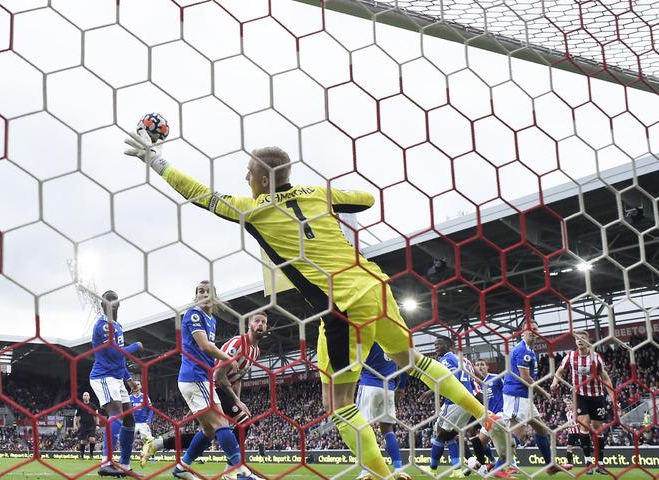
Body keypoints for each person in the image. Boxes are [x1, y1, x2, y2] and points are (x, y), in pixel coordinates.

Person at [124, 128, 507, 478]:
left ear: (260, 179)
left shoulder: (254, 207)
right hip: (375, 284)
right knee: (414, 362)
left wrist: (155, 160)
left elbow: (198, 194)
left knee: (340, 406)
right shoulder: (318, 194)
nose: (244, 178)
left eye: (247, 172)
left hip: (342, 304)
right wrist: (321, 198)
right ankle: (486, 414)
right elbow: (366, 198)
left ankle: (386, 476)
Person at [140, 312, 269, 474]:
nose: (260, 324)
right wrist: (236, 401)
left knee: (208, 434)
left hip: (221, 389)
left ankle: (164, 451)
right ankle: (232, 471)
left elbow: (238, 378)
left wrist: (238, 399)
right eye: (257, 321)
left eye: (263, 322)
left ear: (266, 328)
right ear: (249, 324)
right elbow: (218, 375)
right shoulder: (238, 343)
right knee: (243, 422)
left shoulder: (255, 351)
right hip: (212, 386)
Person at [170, 280, 259, 480]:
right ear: (196, 296)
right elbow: (204, 346)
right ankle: (240, 471)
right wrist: (228, 358)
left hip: (203, 377)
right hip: (194, 376)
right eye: (200, 291)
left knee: (209, 430)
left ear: (214, 296)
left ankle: (182, 467)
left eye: (207, 291)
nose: (203, 294)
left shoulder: (211, 320)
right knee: (222, 424)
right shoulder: (194, 314)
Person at [88, 290, 143, 477]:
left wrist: (128, 379)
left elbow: (119, 360)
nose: (112, 305)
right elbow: (113, 352)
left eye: (114, 302)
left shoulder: (117, 326)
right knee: (116, 413)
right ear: (103, 305)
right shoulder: (103, 326)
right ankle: (106, 463)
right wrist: (136, 347)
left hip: (117, 377)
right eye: (108, 302)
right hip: (103, 376)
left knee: (129, 419)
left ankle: (125, 465)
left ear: (119, 304)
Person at [502, 328, 568, 474]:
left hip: (525, 395)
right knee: (519, 433)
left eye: (536, 329)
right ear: (522, 333)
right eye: (529, 329)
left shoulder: (530, 351)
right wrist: (544, 393)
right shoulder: (522, 350)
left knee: (542, 430)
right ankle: (499, 466)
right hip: (516, 394)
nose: (533, 331)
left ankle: (550, 466)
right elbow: (525, 378)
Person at [551, 330, 613, 474]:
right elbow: (559, 371)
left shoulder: (596, 357)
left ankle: (600, 463)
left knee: (597, 428)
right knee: (584, 426)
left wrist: (613, 397)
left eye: (582, 338)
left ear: (588, 341)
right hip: (579, 395)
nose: (579, 340)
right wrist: (555, 381)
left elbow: (605, 378)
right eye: (577, 338)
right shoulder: (571, 356)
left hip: (596, 396)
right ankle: (588, 462)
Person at [420, 337, 480, 478]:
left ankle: (433, 469)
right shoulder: (459, 359)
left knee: (440, 434)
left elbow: (450, 377)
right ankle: (458, 469)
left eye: (439, 344)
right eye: (434, 344)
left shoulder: (446, 359)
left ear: (449, 346)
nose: (436, 347)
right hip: (467, 400)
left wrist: (431, 391)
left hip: (455, 400)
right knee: (450, 435)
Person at [355, 342, 407, 478]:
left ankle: (366, 470)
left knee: (361, 427)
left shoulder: (368, 337)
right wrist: (401, 386)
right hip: (389, 387)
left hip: (369, 384)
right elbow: (405, 364)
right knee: (387, 430)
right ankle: (399, 469)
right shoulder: (390, 338)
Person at [561, 396, 592, 469]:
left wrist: (575, 425)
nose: (568, 406)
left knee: (585, 448)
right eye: (567, 405)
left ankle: (588, 462)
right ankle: (569, 463)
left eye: (570, 404)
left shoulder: (577, 412)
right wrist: (565, 426)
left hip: (579, 432)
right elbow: (569, 423)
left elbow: (581, 422)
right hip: (571, 433)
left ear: (573, 404)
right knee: (568, 447)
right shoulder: (567, 414)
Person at [74, 391, 98, 460]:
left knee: (92, 440)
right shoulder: (80, 406)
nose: (86, 396)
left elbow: (97, 415)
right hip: (83, 425)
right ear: (82, 397)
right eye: (84, 395)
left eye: (87, 395)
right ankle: (81, 456)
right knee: (83, 441)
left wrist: (97, 424)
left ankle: (91, 455)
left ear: (89, 397)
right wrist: (75, 425)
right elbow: (76, 416)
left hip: (91, 425)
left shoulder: (93, 406)